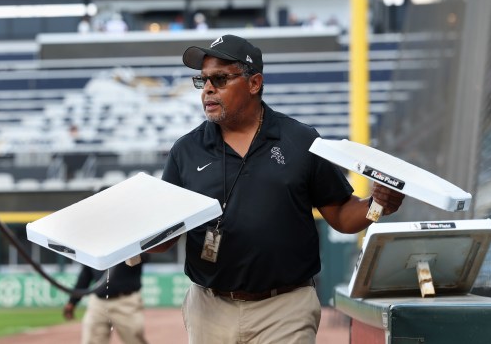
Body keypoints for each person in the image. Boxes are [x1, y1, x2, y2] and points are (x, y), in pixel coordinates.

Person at [151, 35, 405, 343]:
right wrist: (128, 237)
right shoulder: (186, 150)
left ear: (254, 83)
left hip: (285, 307)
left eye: (219, 79)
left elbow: (340, 214)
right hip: (209, 307)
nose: (207, 89)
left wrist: (378, 205)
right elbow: (164, 239)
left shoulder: (301, 140)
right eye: (202, 80)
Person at [63, 260, 149, 344]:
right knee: (92, 340)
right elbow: (86, 274)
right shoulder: (95, 247)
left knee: (134, 340)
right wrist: (72, 301)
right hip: (98, 303)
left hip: (126, 301)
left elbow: (145, 256)